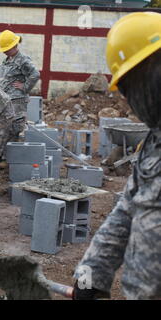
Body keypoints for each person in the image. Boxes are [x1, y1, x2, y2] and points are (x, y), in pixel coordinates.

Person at [72, 12, 161, 300]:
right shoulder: (154, 141)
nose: (126, 100)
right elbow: (127, 210)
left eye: (128, 87)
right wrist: (91, 275)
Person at [0, 30, 40, 142]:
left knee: (15, 127)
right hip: (6, 99)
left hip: (17, 100)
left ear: (14, 46)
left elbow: (35, 74)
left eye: (6, 49)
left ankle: (14, 153)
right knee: (5, 126)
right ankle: (7, 153)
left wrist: (25, 87)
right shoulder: (6, 61)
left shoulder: (22, 60)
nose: (4, 52)